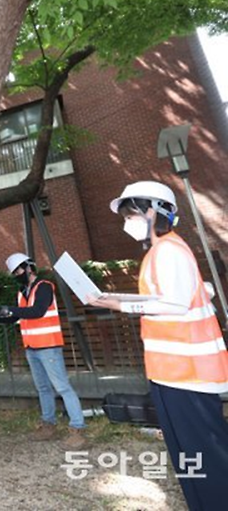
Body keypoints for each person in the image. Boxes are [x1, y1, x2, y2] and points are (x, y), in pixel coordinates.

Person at [90, 180, 228, 511]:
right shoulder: (160, 253)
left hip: (189, 376)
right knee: (190, 457)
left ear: (153, 211)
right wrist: (117, 299)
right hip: (173, 375)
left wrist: (119, 305)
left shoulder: (169, 251)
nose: (126, 221)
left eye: (130, 212)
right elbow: (167, 298)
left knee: (205, 456)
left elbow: (176, 304)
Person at [0, 252, 87, 450]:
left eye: (18, 270)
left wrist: (12, 310)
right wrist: (1, 316)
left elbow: (38, 311)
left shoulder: (44, 287)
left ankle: (78, 430)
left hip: (49, 347)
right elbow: (21, 316)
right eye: (14, 273)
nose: (16, 274)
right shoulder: (22, 292)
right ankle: (48, 425)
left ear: (29, 267)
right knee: (43, 388)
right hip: (32, 348)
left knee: (62, 388)